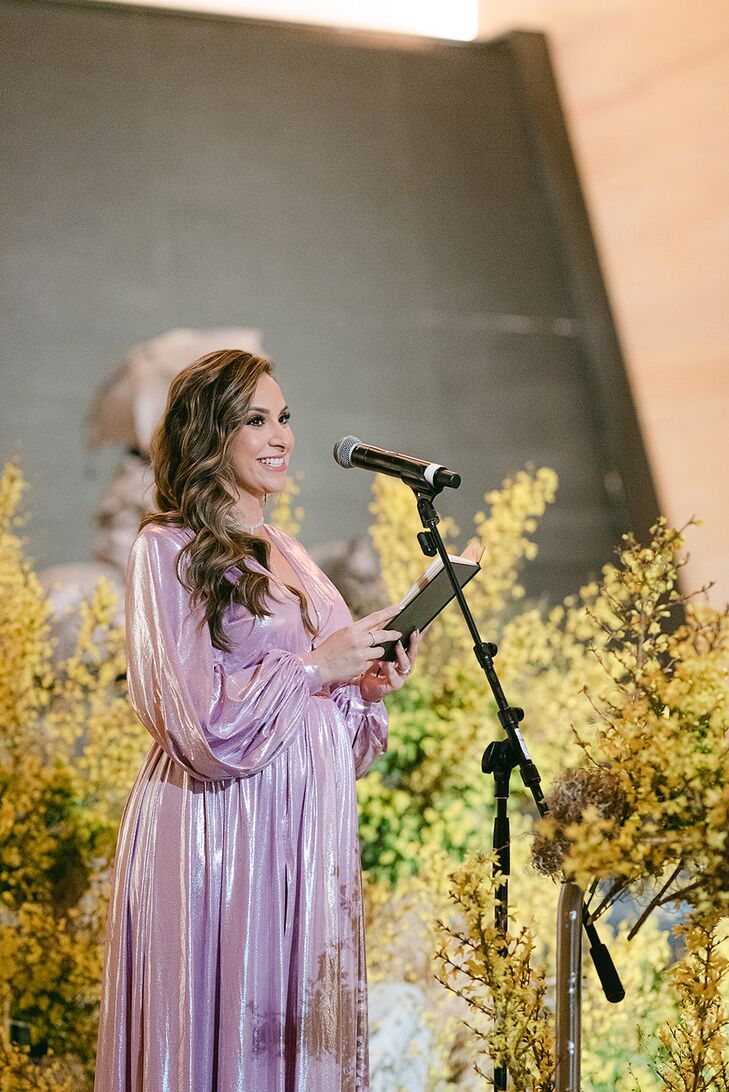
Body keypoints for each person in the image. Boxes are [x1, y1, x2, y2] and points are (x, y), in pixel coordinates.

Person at [94, 349, 420, 1092]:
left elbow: (336, 734)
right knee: (224, 1028)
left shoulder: (295, 555)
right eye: (255, 420)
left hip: (303, 834)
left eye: (284, 417)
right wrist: (313, 669)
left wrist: (364, 688)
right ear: (212, 435)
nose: (280, 436)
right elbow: (194, 723)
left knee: (291, 1031)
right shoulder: (165, 548)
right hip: (216, 832)